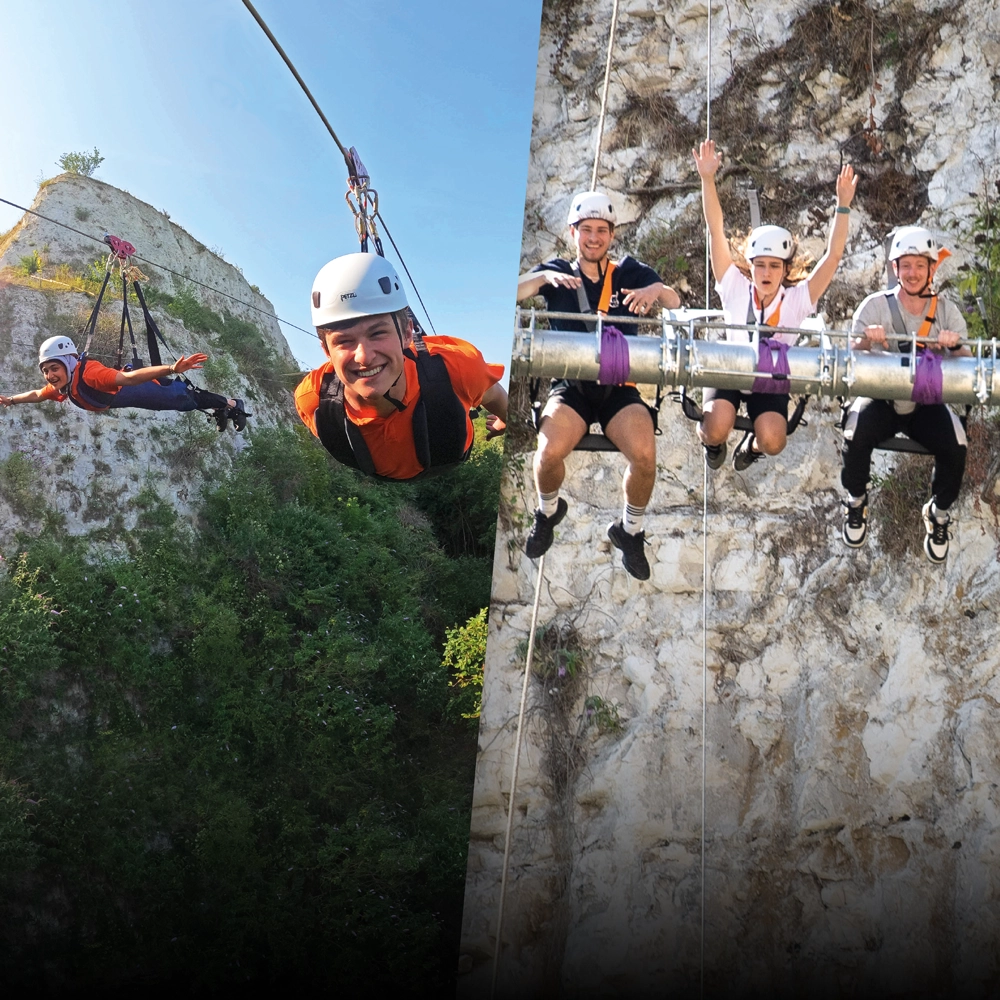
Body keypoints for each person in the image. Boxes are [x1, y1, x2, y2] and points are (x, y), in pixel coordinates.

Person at [516, 191, 682, 581]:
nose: (594, 238)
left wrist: (655, 290)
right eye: (586, 230)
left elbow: (674, 300)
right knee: (547, 453)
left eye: (601, 231)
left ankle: (630, 531)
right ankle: (548, 510)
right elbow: (512, 291)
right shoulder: (558, 272)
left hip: (618, 388)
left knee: (644, 455)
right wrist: (541, 279)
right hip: (572, 387)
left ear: (611, 235)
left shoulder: (629, 272)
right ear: (573, 233)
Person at [692, 139, 857, 471]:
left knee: (773, 441)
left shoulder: (797, 300)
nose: (766, 273)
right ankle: (713, 443)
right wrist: (708, 179)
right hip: (733, 367)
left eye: (774, 266)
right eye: (760, 265)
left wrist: (843, 207)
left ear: (785, 269)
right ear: (750, 265)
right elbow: (715, 229)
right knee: (716, 427)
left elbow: (833, 257)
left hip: (771, 377)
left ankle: (751, 446)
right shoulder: (735, 286)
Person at [295, 253, 507, 481]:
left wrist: (506, 419)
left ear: (407, 334)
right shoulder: (315, 402)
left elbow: (495, 396)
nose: (364, 357)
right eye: (344, 341)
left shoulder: (455, 369)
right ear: (327, 351)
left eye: (377, 333)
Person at [840, 226, 970, 563]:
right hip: (882, 397)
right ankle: (856, 499)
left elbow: (967, 363)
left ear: (930, 269)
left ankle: (938, 513)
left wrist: (953, 345)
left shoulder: (946, 312)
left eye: (919, 265)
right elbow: (851, 352)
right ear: (895, 269)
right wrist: (868, 339)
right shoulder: (875, 307)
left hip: (925, 402)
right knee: (855, 432)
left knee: (956, 445)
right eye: (905, 265)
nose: (912, 273)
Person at [0, 336, 248, 430]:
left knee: (185, 398)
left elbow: (128, 379)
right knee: (185, 402)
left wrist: (171, 368)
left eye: (54, 368)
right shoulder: (62, 386)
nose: (50, 375)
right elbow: (36, 394)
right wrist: (11, 400)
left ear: (68, 363)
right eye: (46, 371)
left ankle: (233, 403)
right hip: (137, 398)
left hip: (144, 389)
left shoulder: (89, 374)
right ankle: (221, 409)